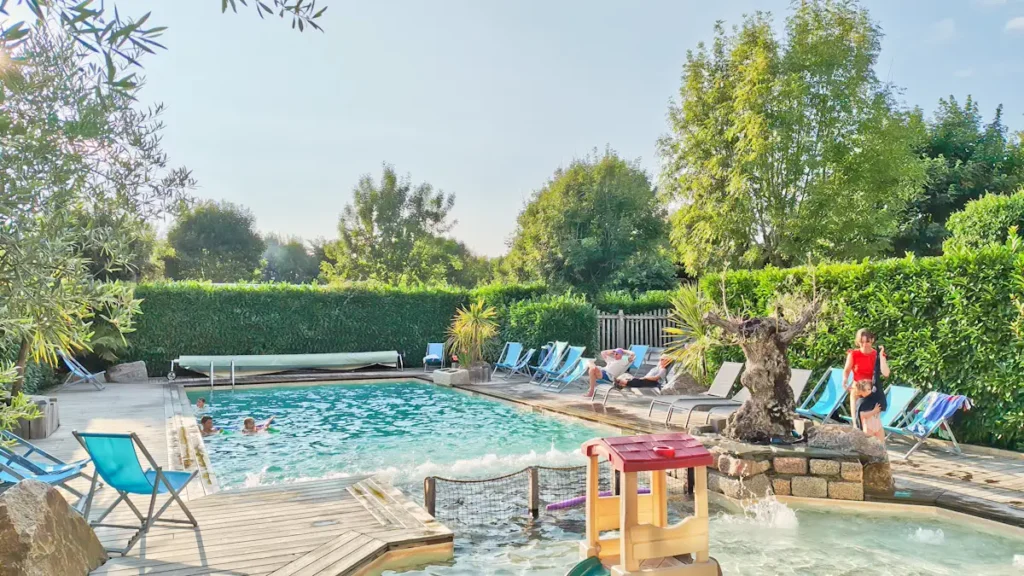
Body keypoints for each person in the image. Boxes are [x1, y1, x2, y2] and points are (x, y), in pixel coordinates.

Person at [842, 329, 890, 440]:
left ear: (872, 340)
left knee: (871, 421)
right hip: (858, 388)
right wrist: (844, 380)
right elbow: (847, 370)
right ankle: (857, 433)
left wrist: (881, 357)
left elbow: (886, 373)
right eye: (861, 342)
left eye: (867, 341)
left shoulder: (876, 355)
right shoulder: (854, 354)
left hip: (871, 390)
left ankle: (873, 444)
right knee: (857, 418)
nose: (864, 345)